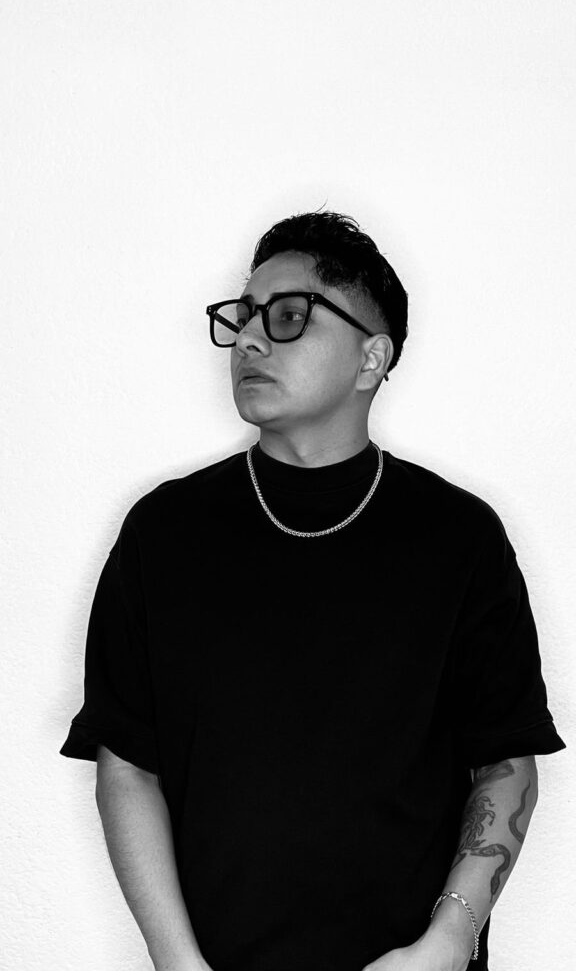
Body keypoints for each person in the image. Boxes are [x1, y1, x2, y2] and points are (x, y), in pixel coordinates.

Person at [60, 208, 566, 971]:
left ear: (371, 358)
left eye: (289, 316)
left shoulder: (459, 537)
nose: (249, 339)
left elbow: (505, 759)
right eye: (243, 316)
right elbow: (127, 762)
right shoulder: (164, 533)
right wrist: (178, 962)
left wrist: (446, 944)